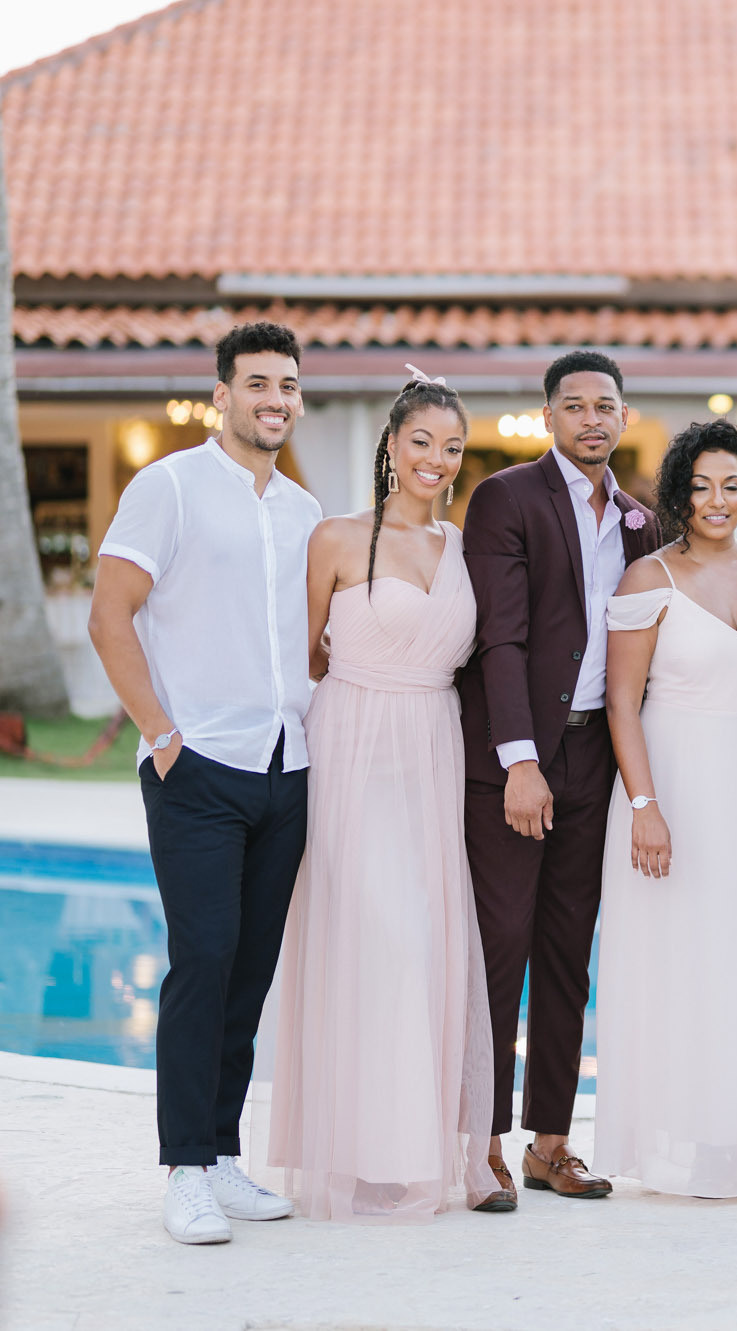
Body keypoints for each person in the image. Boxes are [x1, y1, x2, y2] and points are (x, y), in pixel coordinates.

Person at [88, 322, 320, 1244]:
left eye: (289, 385)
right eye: (258, 382)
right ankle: (184, 1166)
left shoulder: (304, 511)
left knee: (250, 971)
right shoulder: (169, 485)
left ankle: (222, 1152)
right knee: (203, 959)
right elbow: (112, 614)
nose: (275, 399)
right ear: (220, 394)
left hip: (285, 768)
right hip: (198, 771)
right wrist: (161, 733)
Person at [261, 370, 500, 1222]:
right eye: (423, 441)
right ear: (392, 446)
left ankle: (408, 1154)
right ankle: (355, 1150)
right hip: (354, 744)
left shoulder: (467, 549)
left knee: (426, 946)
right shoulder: (335, 537)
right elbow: (302, 659)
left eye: (453, 446)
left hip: (432, 749)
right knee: (373, 941)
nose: (438, 459)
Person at [457, 350, 662, 1204]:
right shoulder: (505, 499)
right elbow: (499, 638)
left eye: (603, 405)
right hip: (519, 761)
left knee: (568, 953)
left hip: (595, 762)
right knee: (500, 950)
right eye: (573, 405)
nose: (590, 418)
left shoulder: (641, 524)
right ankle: (481, 1142)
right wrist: (520, 762)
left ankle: (550, 1141)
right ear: (549, 417)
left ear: (622, 418)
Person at [595, 420, 737, 1198]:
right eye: (702, 485)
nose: (718, 500)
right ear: (678, 493)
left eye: (732, 484)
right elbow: (621, 703)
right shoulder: (647, 581)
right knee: (679, 963)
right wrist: (644, 804)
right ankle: (685, 1140)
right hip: (673, 784)